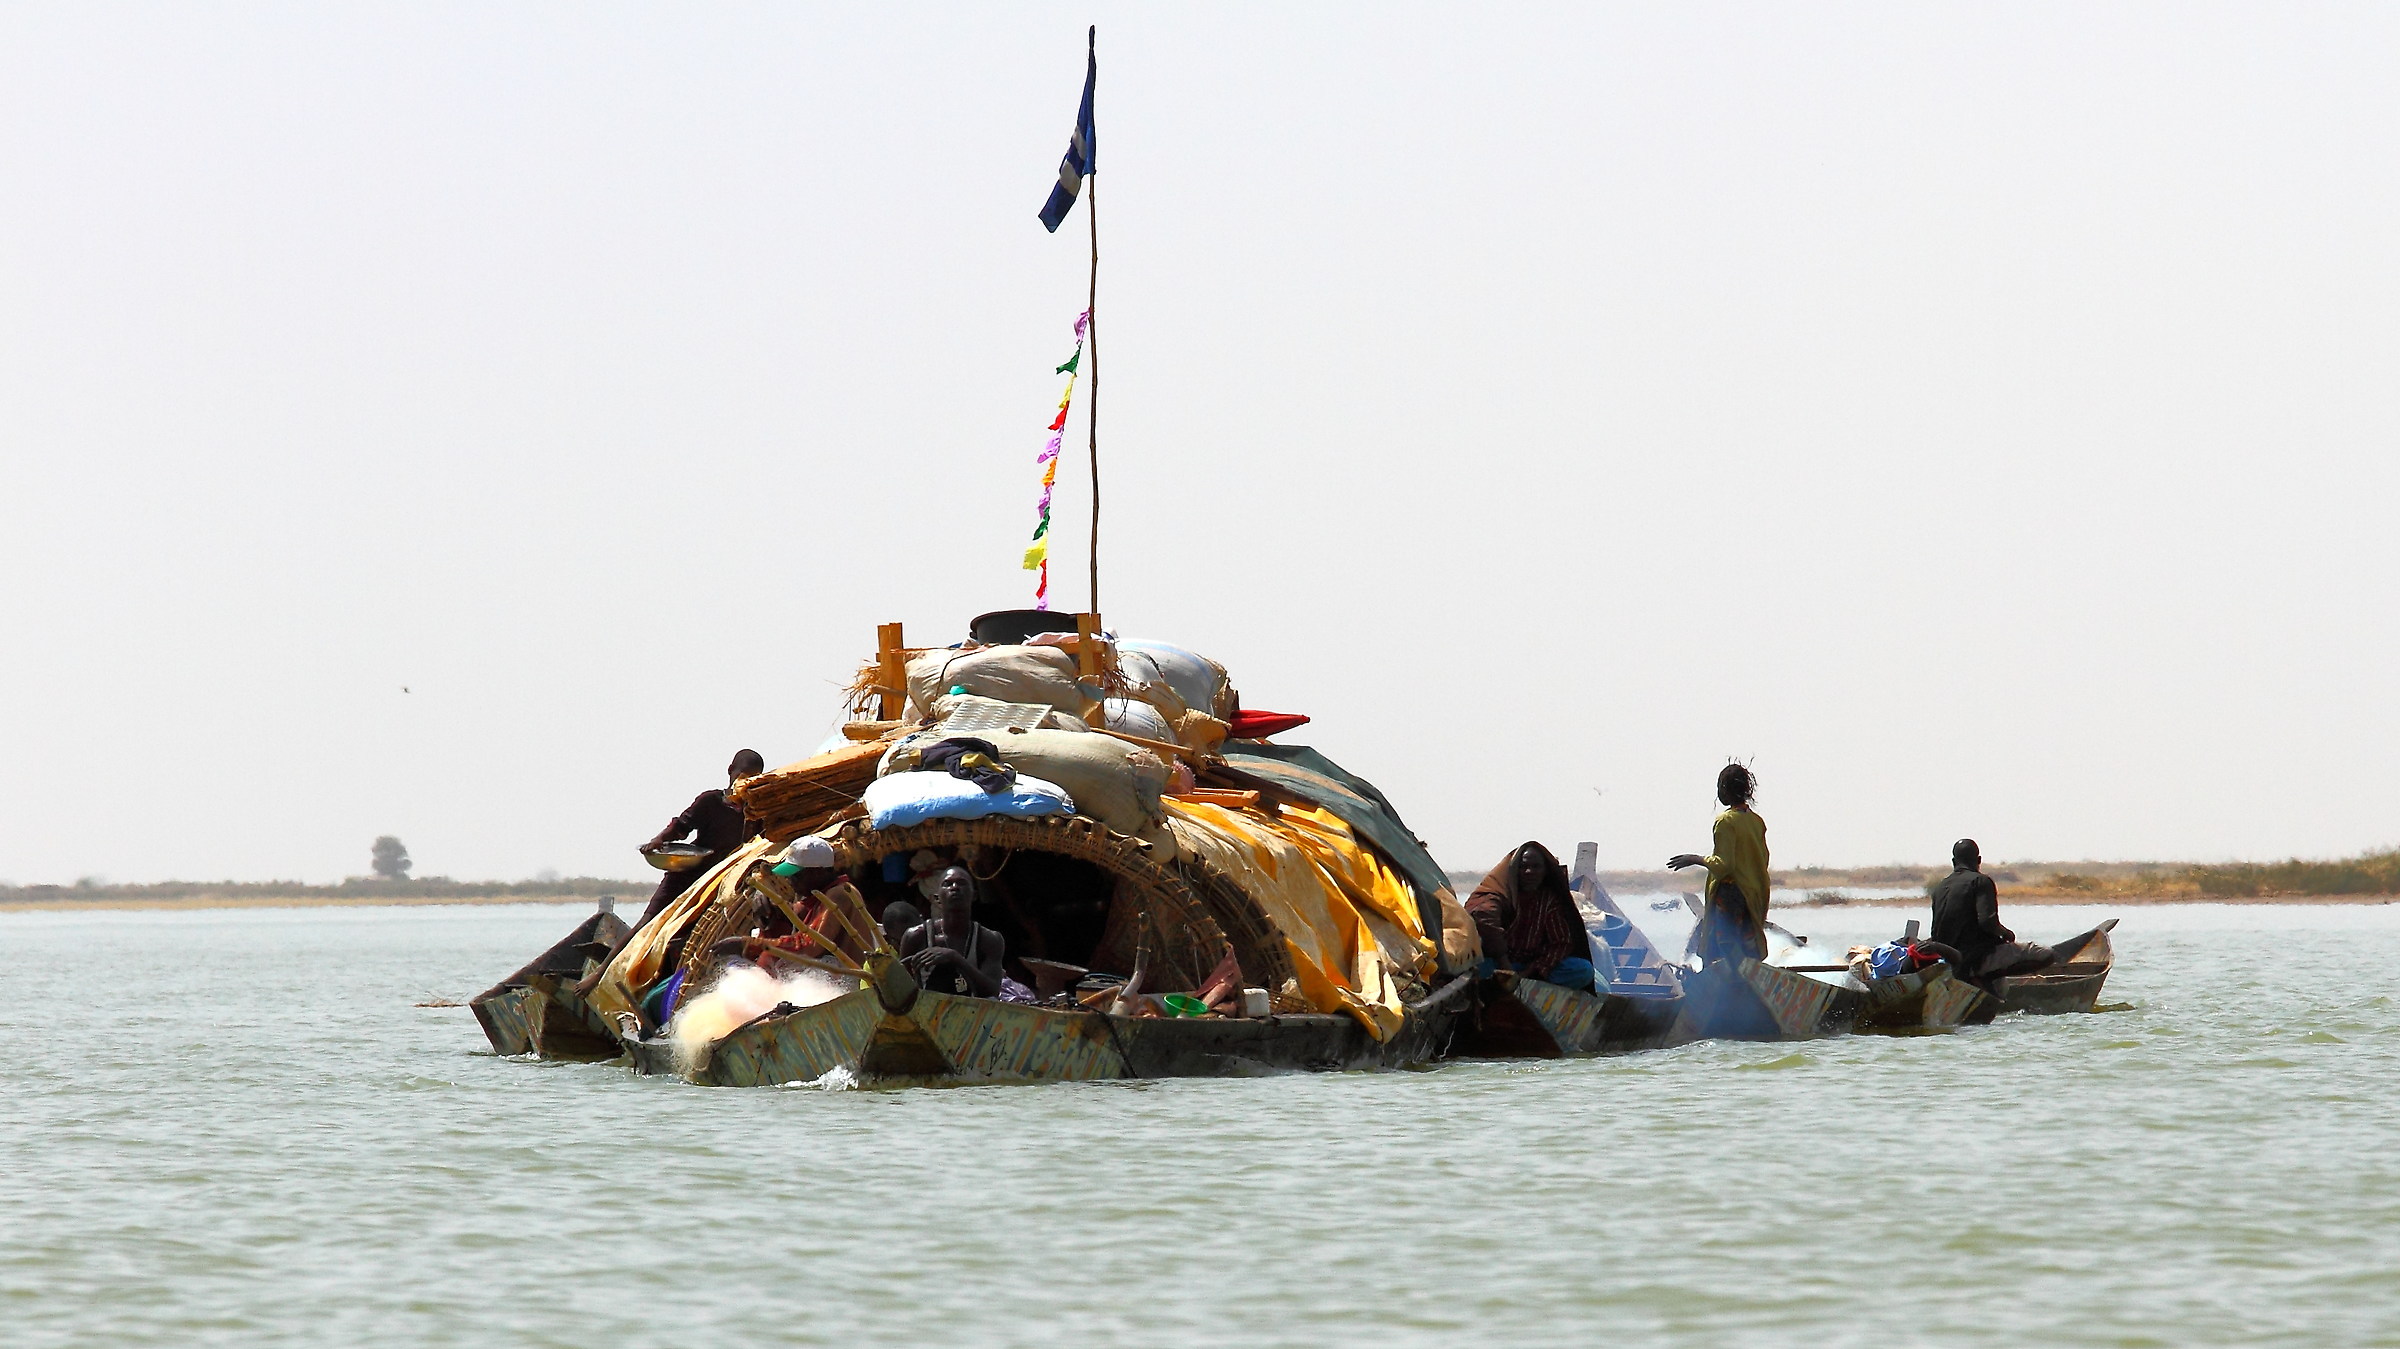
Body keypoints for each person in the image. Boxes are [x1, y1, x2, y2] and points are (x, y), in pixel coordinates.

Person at [632, 749, 766, 933]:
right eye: (742, 776)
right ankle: (615, 954)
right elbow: (681, 826)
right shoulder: (711, 801)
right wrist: (659, 839)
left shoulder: (756, 811)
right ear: (730, 770)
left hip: (722, 882)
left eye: (752, 779)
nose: (745, 782)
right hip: (688, 874)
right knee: (647, 923)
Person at [1930, 839, 2094, 987]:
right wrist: (2006, 933)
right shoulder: (1981, 881)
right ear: (1979, 860)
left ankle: (1981, 976)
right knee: (2048, 955)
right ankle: (1984, 977)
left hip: (1950, 959)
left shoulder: (1940, 887)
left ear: (1953, 862)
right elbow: (1987, 922)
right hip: (1977, 958)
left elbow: (1936, 932)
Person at [1668, 764, 1770, 965]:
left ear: (1725, 789)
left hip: (1731, 896)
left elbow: (1724, 866)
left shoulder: (1725, 821)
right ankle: (1747, 977)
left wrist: (1695, 859)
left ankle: (1724, 978)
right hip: (1754, 893)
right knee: (1748, 950)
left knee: (1721, 951)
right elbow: (1763, 858)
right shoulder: (1756, 821)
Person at [1465, 842, 1592, 988]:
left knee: (1583, 970)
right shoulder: (1500, 895)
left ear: (1545, 871)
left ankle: (1530, 988)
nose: (1529, 872)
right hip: (1497, 964)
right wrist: (1506, 967)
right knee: (1476, 967)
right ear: (1514, 870)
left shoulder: (1549, 900)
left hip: (1531, 967)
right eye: (1523, 867)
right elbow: (1485, 922)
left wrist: (1531, 971)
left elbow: (1561, 942)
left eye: (1536, 867)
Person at [899, 865, 1007, 998]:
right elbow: (900, 989)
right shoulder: (915, 936)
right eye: (947, 884)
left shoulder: (988, 939)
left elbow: (992, 991)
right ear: (937, 898)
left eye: (962, 883)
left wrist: (955, 958)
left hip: (972, 1010)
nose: (955, 887)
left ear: (974, 895)